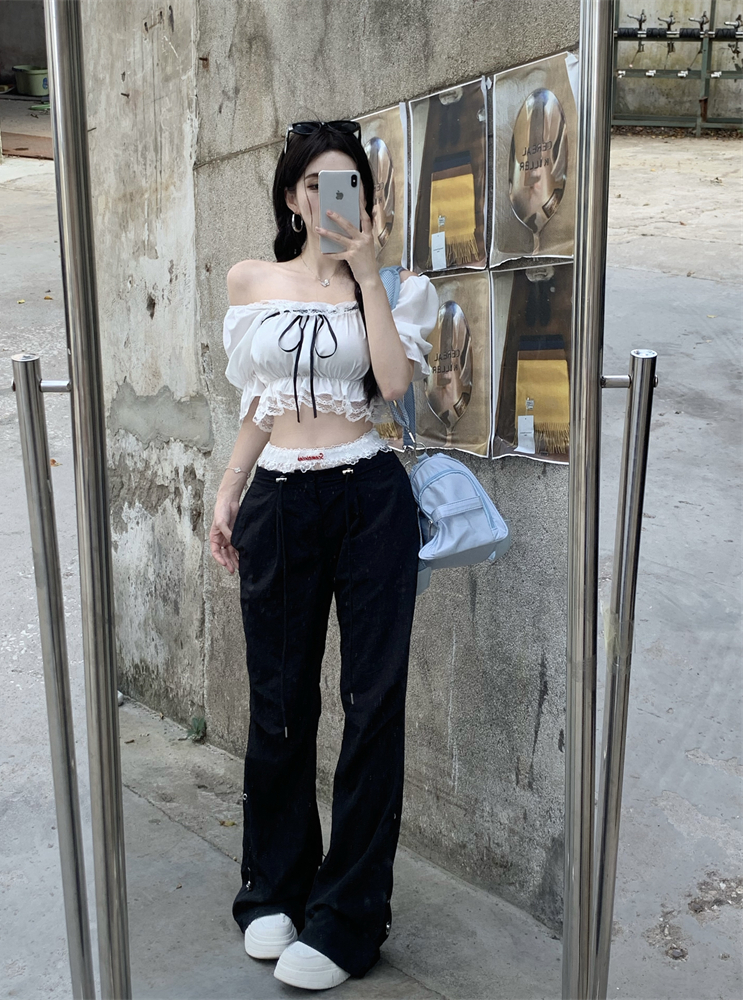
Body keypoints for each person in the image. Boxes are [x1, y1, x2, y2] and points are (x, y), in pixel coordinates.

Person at [209, 119, 439, 991]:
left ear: (366, 201)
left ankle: (347, 917)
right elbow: (260, 403)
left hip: (367, 494)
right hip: (277, 497)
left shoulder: (392, 286)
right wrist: (227, 490)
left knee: (371, 706)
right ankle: (273, 885)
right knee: (278, 701)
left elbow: (391, 383)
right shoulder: (251, 281)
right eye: (314, 183)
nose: (327, 199)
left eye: (346, 185)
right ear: (289, 194)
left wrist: (369, 275)